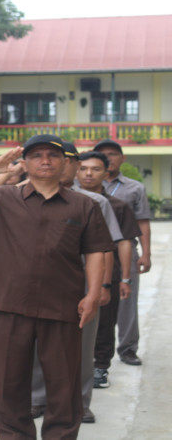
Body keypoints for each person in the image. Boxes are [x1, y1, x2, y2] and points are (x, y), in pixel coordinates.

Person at [0, 135, 113, 439]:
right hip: (10, 304)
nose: (45, 161)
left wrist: (93, 293)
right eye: (36, 156)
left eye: (52, 155)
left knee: (63, 384)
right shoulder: (2, 197)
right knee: (10, 383)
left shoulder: (83, 205)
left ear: (64, 162)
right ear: (26, 162)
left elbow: (96, 251)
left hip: (63, 306)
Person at [26, 141, 123, 424]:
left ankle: (80, 401)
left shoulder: (95, 202)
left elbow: (104, 249)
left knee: (81, 345)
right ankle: (37, 398)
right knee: (36, 344)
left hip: (81, 282)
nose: (55, 163)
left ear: (72, 165)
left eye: (64, 159)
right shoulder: (24, 195)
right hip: (40, 282)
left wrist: (102, 287)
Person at [75, 151, 140, 390]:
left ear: (106, 172)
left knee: (104, 322)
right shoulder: (68, 200)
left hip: (106, 271)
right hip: (73, 271)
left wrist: (123, 277)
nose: (89, 174)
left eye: (95, 169)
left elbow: (122, 242)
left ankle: (100, 366)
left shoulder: (116, 206)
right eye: (83, 169)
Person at [92, 139, 152, 366]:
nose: (109, 158)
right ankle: (94, 348)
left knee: (127, 300)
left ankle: (127, 348)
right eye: (102, 154)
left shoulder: (134, 188)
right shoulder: (84, 186)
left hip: (125, 251)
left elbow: (143, 222)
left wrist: (146, 254)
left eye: (113, 154)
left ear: (122, 158)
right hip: (93, 253)